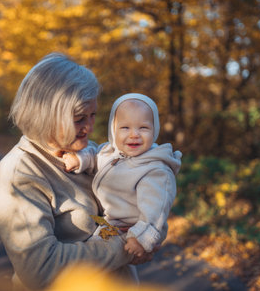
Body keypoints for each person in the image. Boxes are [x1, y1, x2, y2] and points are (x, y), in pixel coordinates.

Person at [0, 54, 152, 291]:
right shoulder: (19, 174)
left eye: (93, 115)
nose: (90, 127)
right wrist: (126, 247)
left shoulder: (93, 153)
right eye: (79, 119)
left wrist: (148, 233)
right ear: (46, 115)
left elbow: (139, 204)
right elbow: (41, 270)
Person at [63, 93, 182, 258]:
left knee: (99, 257)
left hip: (132, 227)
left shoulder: (155, 170)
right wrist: (79, 159)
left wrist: (141, 237)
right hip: (110, 222)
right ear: (113, 130)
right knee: (92, 254)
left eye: (143, 128)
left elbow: (156, 210)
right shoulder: (110, 152)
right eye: (125, 128)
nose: (134, 134)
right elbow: (94, 155)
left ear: (154, 130)